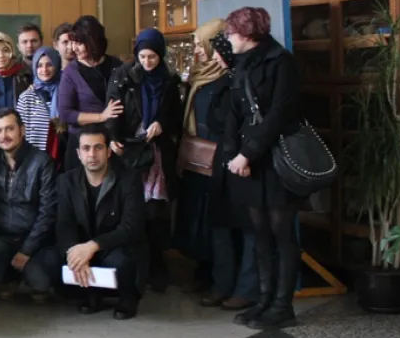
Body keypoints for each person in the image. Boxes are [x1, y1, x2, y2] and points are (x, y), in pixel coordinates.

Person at [220, 7, 301, 330]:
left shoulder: (282, 62)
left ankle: (283, 305)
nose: (228, 39)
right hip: (248, 162)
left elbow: (279, 114)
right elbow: (233, 113)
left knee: (282, 232)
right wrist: (233, 155)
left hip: (275, 160)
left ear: (247, 33)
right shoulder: (242, 63)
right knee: (260, 232)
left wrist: (248, 154)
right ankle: (264, 299)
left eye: (231, 33)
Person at [179, 23, 256, 311]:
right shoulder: (203, 77)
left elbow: (231, 122)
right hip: (209, 162)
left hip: (234, 161)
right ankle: (219, 281)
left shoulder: (234, 80)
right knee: (215, 225)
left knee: (238, 228)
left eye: (203, 45)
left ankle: (240, 288)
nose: (200, 51)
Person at [107, 28, 182, 293]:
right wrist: (113, 137)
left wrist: (161, 123)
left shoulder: (169, 80)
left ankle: (156, 265)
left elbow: (176, 116)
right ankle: (134, 266)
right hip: (130, 150)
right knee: (130, 207)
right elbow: (113, 109)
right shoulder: (124, 76)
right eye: (142, 57)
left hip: (157, 152)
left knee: (155, 211)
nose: (147, 62)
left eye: (152, 57)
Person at [57, 125, 147, 319]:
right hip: (85, 248)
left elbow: (131, 227)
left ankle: (128, 297)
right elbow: (64, 225)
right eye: (86, 148)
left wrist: (93, 246)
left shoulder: (129, 179)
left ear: (108, 151)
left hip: (116, 246)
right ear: (78, 154)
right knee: (55, 258)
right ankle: (91, 293)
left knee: (122, 259)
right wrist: (75, 254)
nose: (92, 154)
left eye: (98, 147)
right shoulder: (66, 181)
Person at [0, 109, 59, 301]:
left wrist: (26, 250)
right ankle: (8, 278)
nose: (4, 135)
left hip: (34, 237)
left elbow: (48, 212)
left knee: (40, 281)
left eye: (9, 129)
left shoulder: (41, 162)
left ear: (22, 130)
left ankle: (29, 278)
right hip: (0, 237)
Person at [58, 15, 122, 172]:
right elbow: (65, 113)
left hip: (113, 142)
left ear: (93, 42)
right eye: (72, 42)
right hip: (83, 145)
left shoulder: (117, 66)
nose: (73, 48)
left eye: (79, 43)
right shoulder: (71, 72)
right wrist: (101, 116)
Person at [16, 46, 62, 153]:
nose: (44, 70)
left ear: (57, 65)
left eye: (49, 65)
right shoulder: (26, 97)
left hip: (61, 154)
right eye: (39, 66)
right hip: (34, 156)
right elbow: (19, 131)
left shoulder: (66, 92)